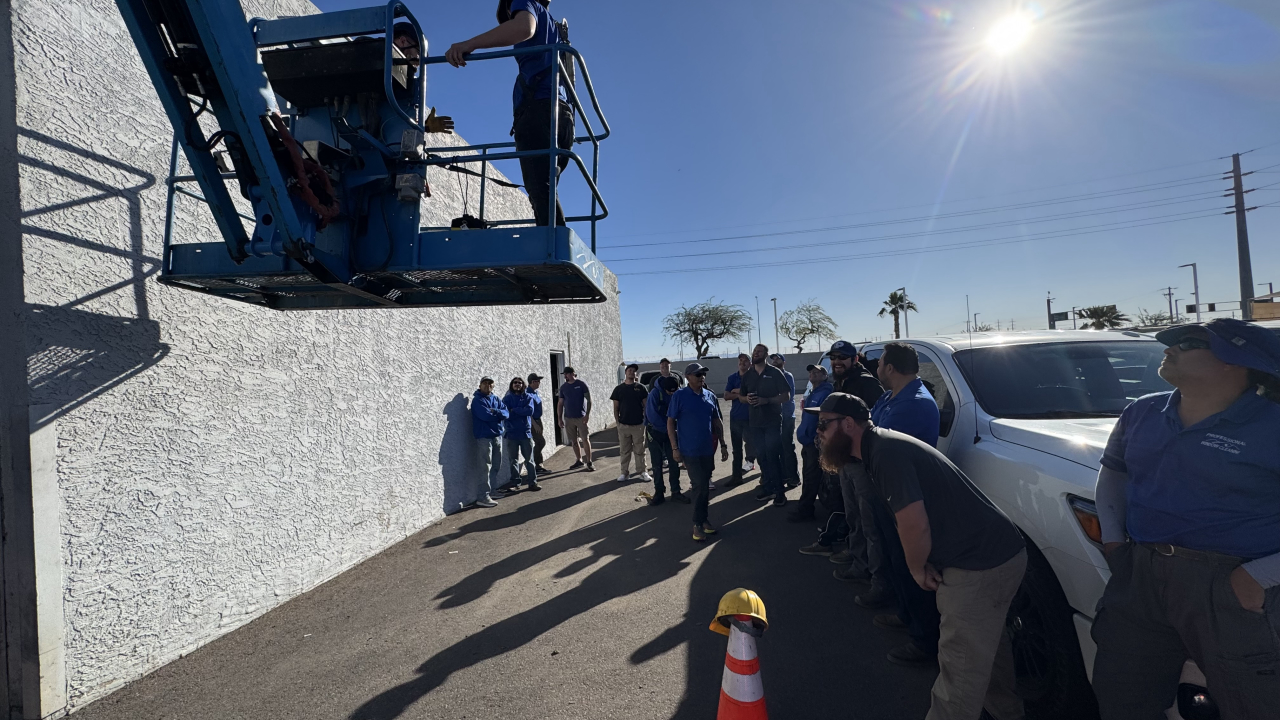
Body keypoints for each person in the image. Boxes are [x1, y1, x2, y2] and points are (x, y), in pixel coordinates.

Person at [1092, 318, 1280, 720]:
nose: (1170, 346)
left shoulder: (1273, 424)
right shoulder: (1140, 412)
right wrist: (1113, 543)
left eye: (1189, 342)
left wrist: (1258, 577)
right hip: (1141, 573)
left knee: (1254, 704)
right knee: (1122, 697)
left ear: (1236, 361)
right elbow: (1114, 473)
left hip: (1233, 584)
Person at [812, 393, 1026, 720]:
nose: (820, 433)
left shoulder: (885, 453)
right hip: (995, 553)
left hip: (980, 563)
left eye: (824, 425)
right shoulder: (877, 447)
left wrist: (916, 568)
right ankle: (1006, 713)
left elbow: (914, 522)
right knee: (987, 650)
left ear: (848, 424)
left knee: (960, 667)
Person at [446, 1, 573, 226]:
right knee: (547, 191)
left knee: (540, 192)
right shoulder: (554, 29)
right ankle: (555, 245)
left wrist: (469, 44)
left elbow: (524, 28)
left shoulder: (525, 2)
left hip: (540, 111)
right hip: (563, 116)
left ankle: (555, 252)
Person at [865, 342, 943, 666]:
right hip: (885, 492)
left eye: (880, 363)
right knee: (896, 561)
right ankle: (906, 614)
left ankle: (925, 640)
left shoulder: (915, 404)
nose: (877, 369)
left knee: (911, 565)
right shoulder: (890, 397)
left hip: (903, 498)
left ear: (892, 369)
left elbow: (878, 442)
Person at [824, 340, 889, 591]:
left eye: (843, 357)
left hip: (862, 461)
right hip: (845, 458)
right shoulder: (840, 381)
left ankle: (879, 582)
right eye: (834, 357)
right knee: (854, 516)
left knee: (870, 521)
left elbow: (878, 418)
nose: (837, 361)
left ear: (855, 360)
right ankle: (858, 560)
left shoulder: (866, 382)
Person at [667, 363, 730, 541]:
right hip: (689, 451)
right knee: (700, 486)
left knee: (704, 487)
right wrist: (674, 448)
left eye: (703, 374)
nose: (701, 377)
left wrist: (724, 444)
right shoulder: (679, 396)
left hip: (707, 449)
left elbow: (717, 421)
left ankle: (704, 520)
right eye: (697, 374)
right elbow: (670, 422)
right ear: (687, 377)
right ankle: (697, 524)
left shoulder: (709, 395)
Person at [740, 344, 792, 506]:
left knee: (773, 457)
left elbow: (786, 396)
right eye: (754, 351)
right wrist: (746, 399)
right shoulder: (748, 375)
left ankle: (780, 493)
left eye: (759, 351)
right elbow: (741, 397)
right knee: (762, 457)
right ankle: (768, 488)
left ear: (765, 355)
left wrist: (767, 400)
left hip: (772, 422)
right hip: (755, 423)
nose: (756, 353)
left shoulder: (774, 373)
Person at [789, 364, 833, 522]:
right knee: (809, 476)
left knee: (812, 476)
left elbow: (825, 417)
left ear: (824, 376)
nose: (812, 374)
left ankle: (805, 510)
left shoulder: (826, 392)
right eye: (811, 372)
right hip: (807, 442)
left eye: (817, 372)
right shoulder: (813, 391)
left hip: (815, 443)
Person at [645, 376, 688, 505]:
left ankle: (676, 491)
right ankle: (659, 492)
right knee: (657, 464)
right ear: (664, 389)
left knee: (674, 461)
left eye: (674, 391)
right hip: (655, 432)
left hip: (671, 433)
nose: (672, 394)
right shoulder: (654, 394)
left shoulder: (677, 393)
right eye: (670, 392)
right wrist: (669, 430)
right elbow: (652, 416)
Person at [469, 377, 509, 508]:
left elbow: (506, 413)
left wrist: (496, 411)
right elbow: (485, 416)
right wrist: (498, 415)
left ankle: (492, 491)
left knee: (496, 465)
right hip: (484, 437)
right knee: (485, 467)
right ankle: (483, 496)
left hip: (497, 436)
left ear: (493, 385)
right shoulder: (477, 400)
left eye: (490, 383)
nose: (487, 386)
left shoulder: (496, 399)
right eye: (484, 383)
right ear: (480, 385)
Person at [498, 376, 541, 495]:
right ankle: (515, 484)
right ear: (512, 385)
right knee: (513, 460)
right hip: (511, 434)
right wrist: (518, 411)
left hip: (525, 433)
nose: (517, 384)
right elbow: (506, 414)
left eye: (520, 383)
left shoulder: (528, 397)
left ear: (523, 385)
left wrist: (515, 410)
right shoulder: (507, 399)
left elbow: (529, 411)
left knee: (529, 460)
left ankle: (533, 482)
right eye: (515, 383)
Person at [610, 364, 652, 483]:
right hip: (623, 425)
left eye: (633, 371)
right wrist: (618, 423)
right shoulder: (618, 389)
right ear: (626, 372)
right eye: (629, 370)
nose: (631, 372)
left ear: (635, 374)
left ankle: (642, 472)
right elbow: (616, 408)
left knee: (640, 450)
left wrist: (645, 420)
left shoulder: (641, 388)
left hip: (638, 425)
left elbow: (646, 405)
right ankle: (624, 473)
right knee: (624, 450)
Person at [722, 354, 756, 488]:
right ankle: (736, 477)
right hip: (736, 418)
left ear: (750, 363)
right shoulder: (732, 377)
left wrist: (736, 392)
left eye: (746, 361)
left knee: (753, 445)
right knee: (736, 449)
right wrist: (740, 393)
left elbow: (753, 393)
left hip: (751, 418)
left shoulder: (754, 377)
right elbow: (726, 396)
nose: (743, 363)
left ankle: (756, 467)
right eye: (741, 360)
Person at [770, 352, 800, 489]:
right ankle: (783, 475)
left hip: (787, 416)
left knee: (787, 447)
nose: (775, 360)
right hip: (775, 417)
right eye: (773, 359)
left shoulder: (787, 376)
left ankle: (794, 477)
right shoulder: (771, 375)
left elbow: (785, 396)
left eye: (778, 358)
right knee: (778, 447)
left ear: (784, 362)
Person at [557, 366, 593, 472]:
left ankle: (589, 461)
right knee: (574, 440)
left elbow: (589, 400)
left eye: (567, 374)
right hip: (568, 418)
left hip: (581, 417)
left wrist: (587, 414)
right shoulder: (563, 387)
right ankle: (579, 460)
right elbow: (560, 403)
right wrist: (559, 418)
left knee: (585, 439)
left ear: (572, 373)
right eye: (564, 375)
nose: (565, 376)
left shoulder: (581, 384)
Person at [527, 373, 549, 474]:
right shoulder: (528, 393)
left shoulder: (535, 392)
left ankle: (539, 464)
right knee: (541, 442)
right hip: (533, 422)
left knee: (539, 442)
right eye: (537, 381)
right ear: (532, 382)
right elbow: (528, 411)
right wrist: (534, 424)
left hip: (538, 420)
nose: (539, 383)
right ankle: (536, 464)